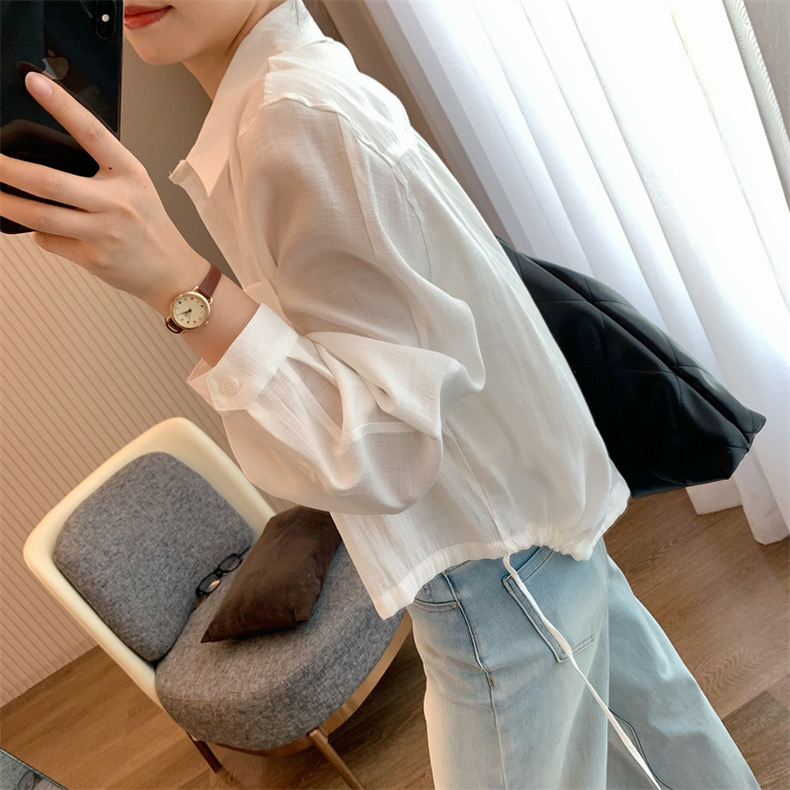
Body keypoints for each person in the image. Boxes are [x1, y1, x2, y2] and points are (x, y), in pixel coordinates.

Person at [0, 1, 762, 788]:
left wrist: (177, 284)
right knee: (667, 736)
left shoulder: (290, 118)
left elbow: (389, 448)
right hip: (520, 514)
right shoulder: (284, 92)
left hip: (487, 562)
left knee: (655, 731)